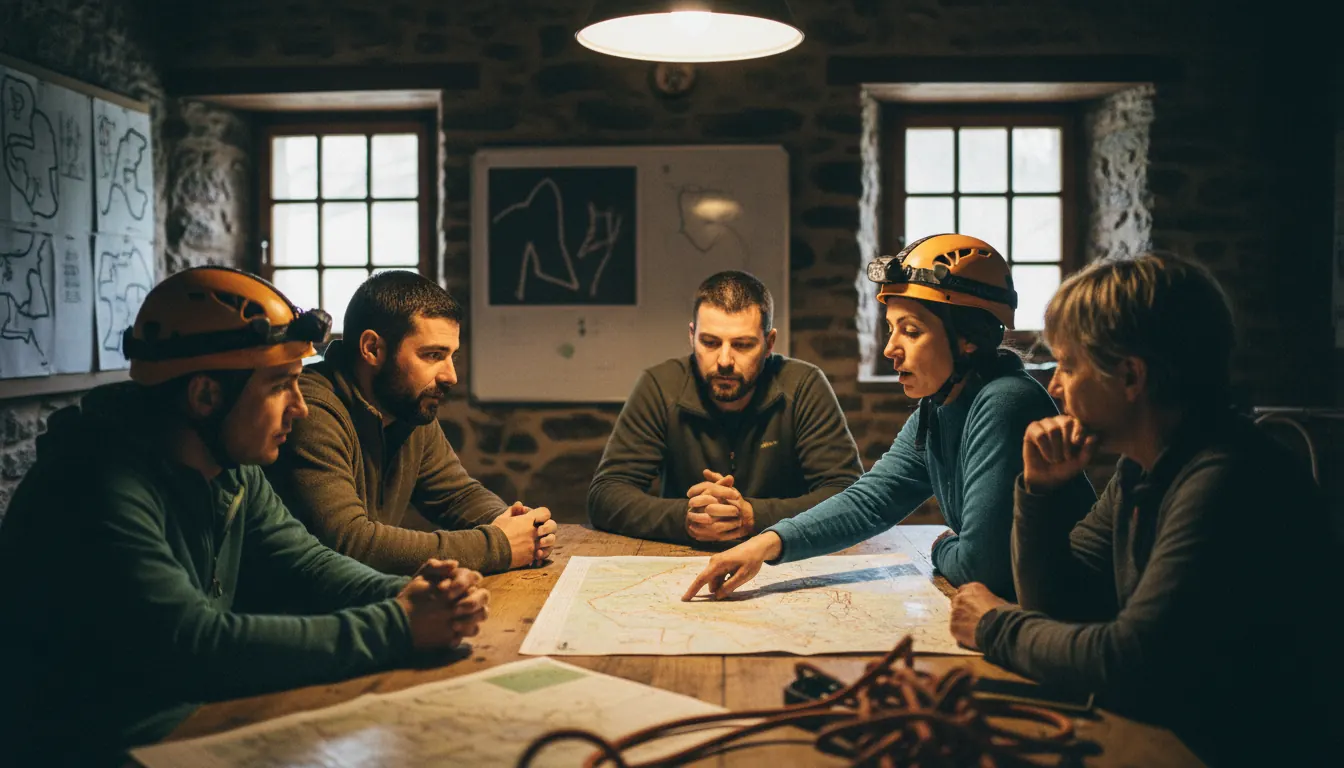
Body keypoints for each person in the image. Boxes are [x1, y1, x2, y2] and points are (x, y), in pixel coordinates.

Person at [0, 267, 490, 764]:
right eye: (281, 386)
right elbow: (197, 644)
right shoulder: (96, 484)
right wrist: (401, 625)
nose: (299, 409)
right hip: (92, 749)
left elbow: (308, 562)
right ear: (207, 396)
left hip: (189, 724)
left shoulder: (230, 468)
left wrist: (415, 592)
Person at [948, 252, 1337, 765]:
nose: (1055, 387)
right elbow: (1059, 605)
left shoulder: (1227, 478)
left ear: (1130, 377)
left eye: (1067, 365)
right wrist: (1039, 493)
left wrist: (994, 626)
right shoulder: (1144, 467)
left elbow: (1130, 662)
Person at [683, 235, 1095, 602]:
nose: (890, 349)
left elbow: (980, 570)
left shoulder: (1005, 403)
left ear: (968, 338)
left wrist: (940, 548)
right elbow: (870, 501)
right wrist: (764, 545)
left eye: (911, 331)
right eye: (891, 329)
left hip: (1073, 622)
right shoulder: (941, 405)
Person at [267, 271, 556, 576]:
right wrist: (499, 545)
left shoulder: (405, 408)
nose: (450, 377)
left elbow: (456, 494)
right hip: (302, 616)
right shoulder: (310, 409)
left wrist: (515, 523)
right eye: (432, 355)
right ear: (372, 349)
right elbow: (348, 543)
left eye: (451, 357)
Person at [588, 270, 862, 543]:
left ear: (769, 344)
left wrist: (754, 516)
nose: (724, 360)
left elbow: (847, 494)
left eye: (742, 345)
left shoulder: (804, 386)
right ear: (692, 336)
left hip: (783, 557)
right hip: (682, 558)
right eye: (710, 342)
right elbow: (606, 494)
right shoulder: (660, 387)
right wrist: (688, 517)